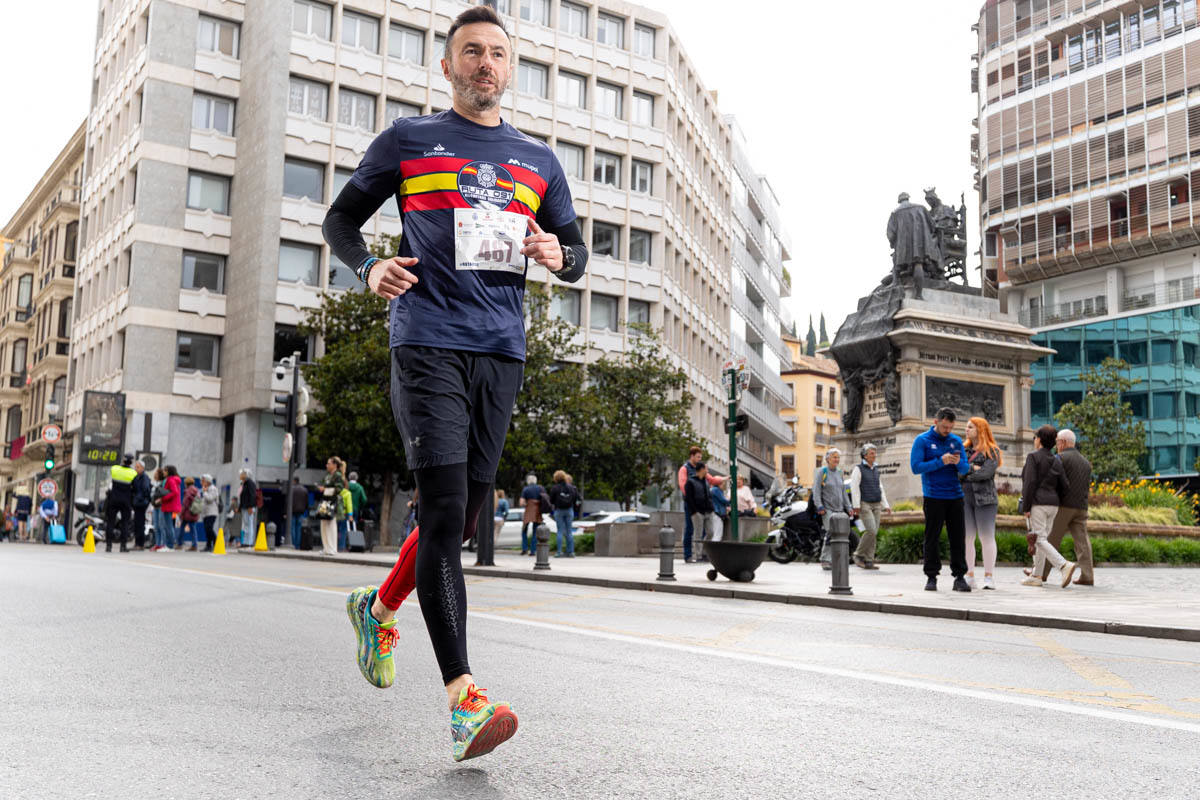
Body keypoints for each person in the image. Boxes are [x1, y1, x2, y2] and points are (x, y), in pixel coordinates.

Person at [328, 4, 590, 762]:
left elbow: (575, 250)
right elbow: (342, 220)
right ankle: (463, 701)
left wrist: (556, 253)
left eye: (498, 54)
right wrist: (369, 265)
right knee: (443, 510)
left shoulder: (538, 161)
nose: (485, 63)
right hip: (427, 340)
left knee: (464, 516)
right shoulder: (409, 141)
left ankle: (377, 608)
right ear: (447, 66)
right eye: (471, 52)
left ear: (511, 70)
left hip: (502, 351)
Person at [910, 407, 972, 592]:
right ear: (936, 422)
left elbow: (965, 469)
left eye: (950, 427)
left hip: (955, 496)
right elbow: (916, 467)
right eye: (944, 427)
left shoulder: (955, 440)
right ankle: (931, 577)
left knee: (958, 538)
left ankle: (960, 577)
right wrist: (940, 461)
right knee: (932, 537)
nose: (947, 431)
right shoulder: (922, 440)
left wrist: (957, 462)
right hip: (933, 496)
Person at [1021, 424, 1077, 588]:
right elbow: (1065, 485)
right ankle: (1037, 576)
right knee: (1041, 538)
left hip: (1038, 503)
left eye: (1035, 438)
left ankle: (1063, 565)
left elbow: (1029, 483)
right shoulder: (1056, 459)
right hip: (1053, 505)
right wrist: (1054, 496)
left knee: (1039, 539)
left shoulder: (1033, 457)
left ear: (1039, 439)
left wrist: (1026, 506)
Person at [1040, 429, 1094, 586]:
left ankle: (1040, 573)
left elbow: (1052, 480)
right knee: (1082, 543)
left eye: (1057, 442)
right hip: (1082, 507)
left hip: (1064, 506)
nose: (1056, 445)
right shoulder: (1085, 462)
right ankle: (1087, 575)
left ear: (1062, 442)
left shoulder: (1060, 458)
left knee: (1051, 540)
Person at [962, 417, 1001, 590]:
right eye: (966, 427)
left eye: (970, 427)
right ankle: (969, 574)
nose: (966, 430)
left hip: (986, 499)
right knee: (967, 537)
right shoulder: (963, 450)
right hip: (964, 497)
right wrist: (973, 469)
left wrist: (967, 472)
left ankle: (989, 576)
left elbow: (986, 473)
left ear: (980, 429)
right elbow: (956, 473)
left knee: (986, 537)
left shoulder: (992, 450)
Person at [677, 446, 724, 563]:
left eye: (700, 457)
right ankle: (688, 555)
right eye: (698, 457)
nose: (699, 459)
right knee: (689, 529)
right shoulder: (684, 469)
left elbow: (712, 480)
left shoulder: (702, 472)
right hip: (691, 505)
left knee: (705, 531)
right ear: (691, 456)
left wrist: (726, 478)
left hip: (703, 508)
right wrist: (693, 505)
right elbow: (683, 486)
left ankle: (701, 554)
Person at [849, 443, 891, 570]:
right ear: (865, 455)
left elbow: (880, 488)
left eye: (874, 453)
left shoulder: (875, 469)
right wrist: (856, 505)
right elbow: (854, 487)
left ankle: (869, 560)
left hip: (876, 503)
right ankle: (858, 554)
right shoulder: (858, 469)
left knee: (874, 533)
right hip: (864, 503)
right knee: (871, 530)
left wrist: (886, 505)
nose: (874, 455)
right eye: (871, 453)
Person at [813, 448, 851, 570]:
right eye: (834, 457)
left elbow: (843, 491)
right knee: (831, 532)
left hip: (839, 509)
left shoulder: (840, 472)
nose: (837, 459)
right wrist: (819, 505)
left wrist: (848, 507)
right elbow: (816, 491)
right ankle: (825, 559)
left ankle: (835, 558)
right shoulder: (822, 472)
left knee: (840, 533)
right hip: (827, 509)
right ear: (828, 459)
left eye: (838, 457)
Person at [684, 461, 720, 561]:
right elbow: (688, 498)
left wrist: (712, 509)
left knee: (711, 532)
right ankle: (699, 555)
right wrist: (694, 511)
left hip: (708, 511)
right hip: (697, 512)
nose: (707, 471)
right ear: (701, 469)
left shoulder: (706, 481)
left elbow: (709, 496)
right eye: (706, 469)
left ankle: (704, 552)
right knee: (698, 534)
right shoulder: (690, 482)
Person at [105, 454, 137, 553]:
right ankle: (123, 546)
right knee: (125, 524)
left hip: (113, 499)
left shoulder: (114, 469)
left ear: (123, 460)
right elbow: (135, 488)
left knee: (110, 523)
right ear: (131, 462)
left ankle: (108, 546)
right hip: (126, 501)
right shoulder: (133, 473)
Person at [547, 470, 577, 558]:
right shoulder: (571, 487)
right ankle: (571, 552)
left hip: (559, 510)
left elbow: (551, 500)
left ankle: (559, 552)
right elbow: (575, 498)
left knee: (559, 531)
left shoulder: (555, 488)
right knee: (569, 531)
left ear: (555, 478)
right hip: (569, 510)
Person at [319, 457, 344, 556]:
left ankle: (332, 548)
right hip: (325, 501)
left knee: (331, 525)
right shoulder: (328, 475)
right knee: (323, 525)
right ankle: (326, 547)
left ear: (334, 465)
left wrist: (325, 489)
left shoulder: (337, 475)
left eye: (329, 463)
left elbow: (339, 488)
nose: (327, 465)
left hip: (332, 501)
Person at [519, 474, 544, 556]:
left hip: (529, 510)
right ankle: (533, 551)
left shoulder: (526, 489)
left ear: (528, 481)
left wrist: (527, 503)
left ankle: (524, 549)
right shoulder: (541, 488)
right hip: (538, 511)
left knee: (524, 530)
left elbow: (521, 502)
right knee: (535, 532)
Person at [160, 465, 182, 552]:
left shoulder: (171, 480)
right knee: (168, 525)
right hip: (169, 505)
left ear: (169, 472)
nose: (163, 472)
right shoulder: (172, 479)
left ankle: (170, 545)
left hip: (169, 505)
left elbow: (174, 492)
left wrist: (163, 498)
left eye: (165, 471)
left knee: (168, 526)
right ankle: (170, 544)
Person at [131, 460, 151, 550]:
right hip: (136, 504)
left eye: (138, 467)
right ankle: (137, 543)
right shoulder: (137, 477)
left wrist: (137, 499)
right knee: (136, 524)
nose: (136, 468)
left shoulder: (144, 477)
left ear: (142, 468)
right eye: (136, 467)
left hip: (141, 503)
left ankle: (140, 544)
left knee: (140, 524)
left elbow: (145, 490)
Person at [179, 476, 202, 551]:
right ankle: (194, 544)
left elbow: (185, 503)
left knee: (182, 528)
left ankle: (180, 544)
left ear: (186, 483)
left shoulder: (188, 491)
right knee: (193, 529)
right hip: (194, 512)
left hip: (188, 513)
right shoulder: (196, 490)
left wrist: (181, 513)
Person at [237, 469, 258, 547]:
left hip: (249, 507)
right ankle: (245, 542)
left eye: (242, 474)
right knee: (245, 525)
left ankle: (249, 542)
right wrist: (240, 508)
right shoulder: (244, 484)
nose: (240, 475)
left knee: (249, 524)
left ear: (246, 474)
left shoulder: (250, 483)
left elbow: (253, 496)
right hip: (244, 507)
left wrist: (250, 507)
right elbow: (242, 497)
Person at [200, 474, 220, 552]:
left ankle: (216, 542)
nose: (201, 482)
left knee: (209, 528)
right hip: (206, 513)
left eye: (203, 480)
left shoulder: (213, 488)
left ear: (207, 481)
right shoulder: (206, 488)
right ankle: (208, 545)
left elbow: (210, 499)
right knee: (207, 529)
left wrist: (204, 492)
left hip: (212, 512)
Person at [290, 477, 309, 550]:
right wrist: (306, 510)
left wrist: (285, 512)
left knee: (292, 528)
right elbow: (307, 502)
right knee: (298, 528)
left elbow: (287, 501)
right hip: (301, 511)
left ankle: (293, 544)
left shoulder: (292, 489)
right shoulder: (304, 489)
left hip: (292, 511)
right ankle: (297, 545)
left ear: (294, 481)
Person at [710, 478, 731, 543]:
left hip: (715, 513)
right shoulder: (716, 490)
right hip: (717, 513)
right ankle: (714, 549)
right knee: (718, 534)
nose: (724, 485)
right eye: (723, 483)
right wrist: (730, 500)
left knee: (716, 533)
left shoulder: (714, 489)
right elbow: (723, 500)